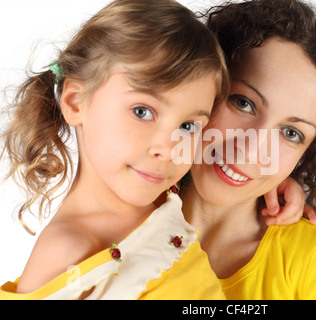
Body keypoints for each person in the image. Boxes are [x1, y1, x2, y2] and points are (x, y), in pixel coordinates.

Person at [0, 0, 231, 300]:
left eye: (188, 126)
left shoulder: (168, 191)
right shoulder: (68, 249)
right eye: (142, 112)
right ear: (74, 102)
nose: (169, 148)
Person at [180, 0, 316, 299]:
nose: (252, 150)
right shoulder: (119, 221)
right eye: (243, 103)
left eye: (291, 133)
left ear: (311, 153)